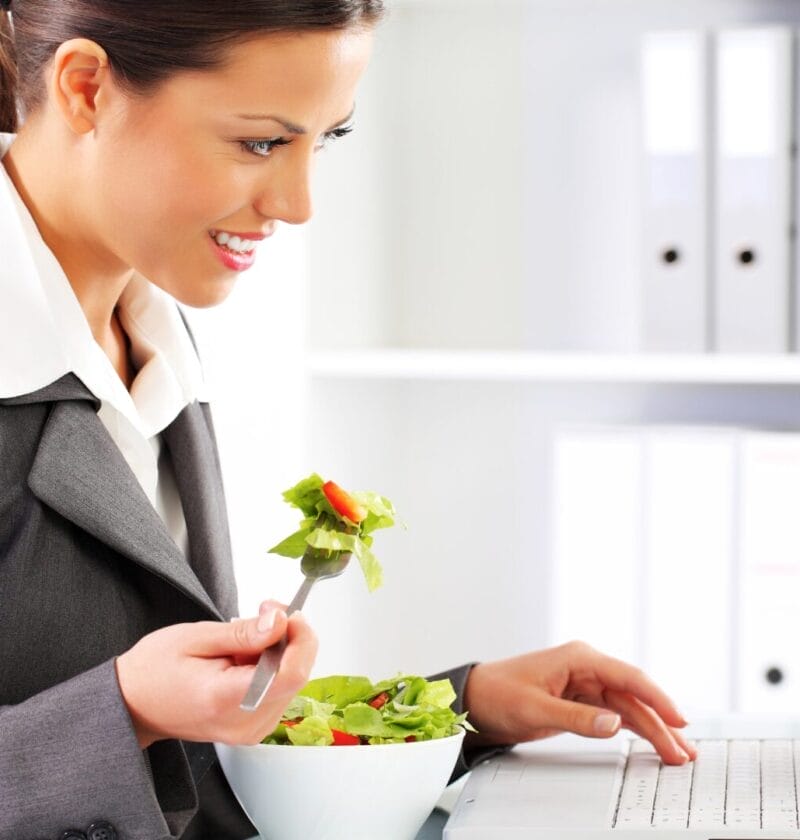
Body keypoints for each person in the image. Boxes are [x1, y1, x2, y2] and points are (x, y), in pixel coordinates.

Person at [0, 2, 697, 838]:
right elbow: (129, 722)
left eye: (324, 140)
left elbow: (179, 771)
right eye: (261, 142)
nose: (298, 205)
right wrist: (125, 707)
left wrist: (454, 710)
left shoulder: (148, 331)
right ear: (86, 88)